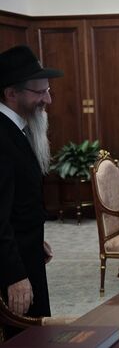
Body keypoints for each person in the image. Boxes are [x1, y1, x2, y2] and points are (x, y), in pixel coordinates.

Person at [0, 45, 63, 328]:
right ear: (11, 93)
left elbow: (16, 201)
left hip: (27, 252)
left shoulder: (17, 129)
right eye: (39, 93)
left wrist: (34, 239)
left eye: (48, 90)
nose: (47, 100)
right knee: (24, 337)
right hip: (12, 269)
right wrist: (14, 276)